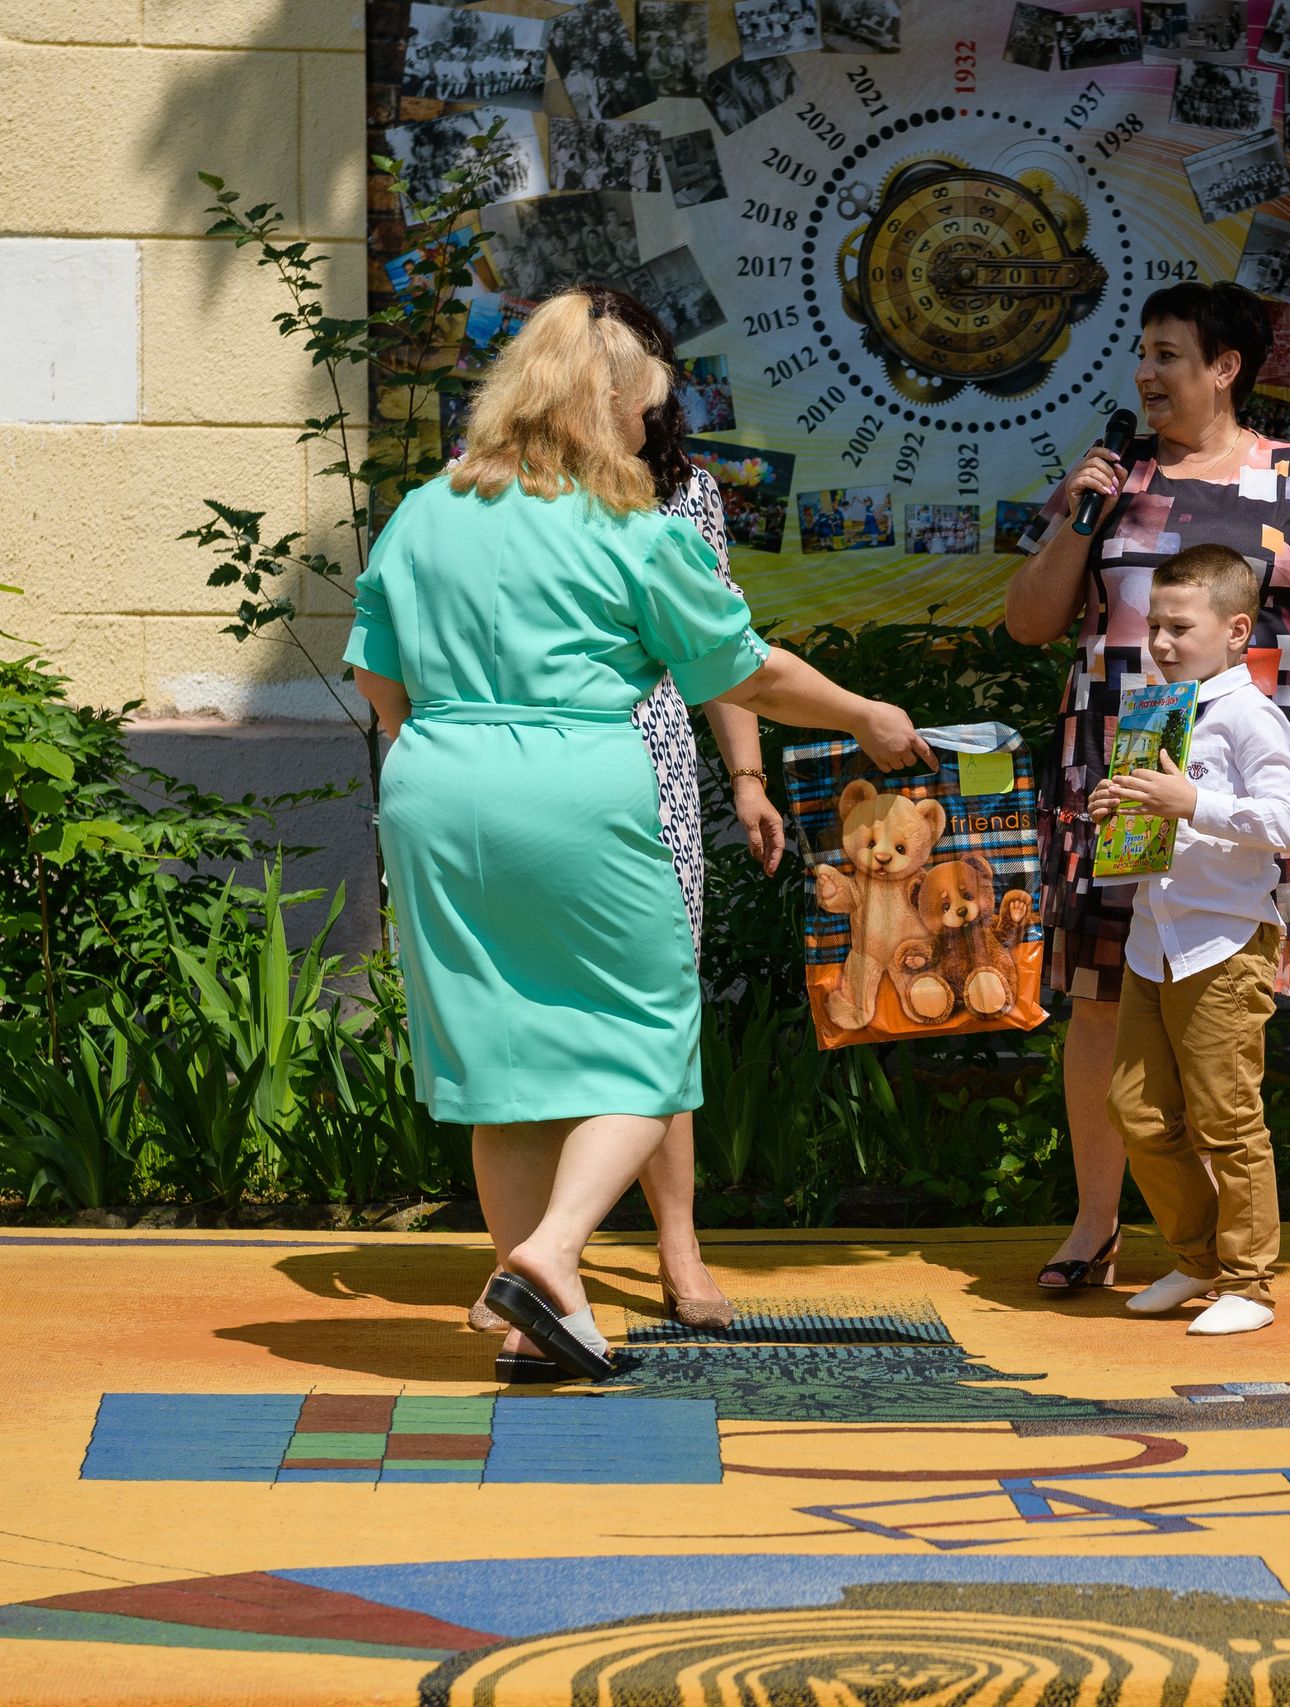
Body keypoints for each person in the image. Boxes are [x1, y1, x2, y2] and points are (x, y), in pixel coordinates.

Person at [349, 291, 933, 1382]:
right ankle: (551, 1252)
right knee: (650, 1029)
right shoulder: (631, 528)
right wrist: (861, 713)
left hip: (431, 781)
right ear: (602, 402)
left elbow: (378, 677)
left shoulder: (424, 509)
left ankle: (538, 1322)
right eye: (638, 411)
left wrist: (439, 744)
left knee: (501, 1056)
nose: (642, 432)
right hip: (570, 778)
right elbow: (742, 669)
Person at [1005, 279, 1290, 1294]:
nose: (1146, 372)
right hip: (1116, 781)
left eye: (1168, 354)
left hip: (1239, 787)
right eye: (1143, 353)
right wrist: (1079, 518)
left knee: (1212, 1011)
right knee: (1101, 1001)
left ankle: (1221, 1251)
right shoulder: (1110, 478)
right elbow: (1031, 623)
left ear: (1225, 367)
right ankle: (1098, 1224)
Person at [1093, 546, 1290, 1334]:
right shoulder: (1158, 708)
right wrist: (1120, 810)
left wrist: (1192, 801)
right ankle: (1197, 1258)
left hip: (1223, 942)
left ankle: (1249, 1282)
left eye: (1179, 626)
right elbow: (1161, 817)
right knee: (1136, 1110)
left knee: (1227, 1117)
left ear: (1236, 629)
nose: (1160, 642)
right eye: (1154, 625)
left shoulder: (1252, 715)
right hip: (1156, 938)